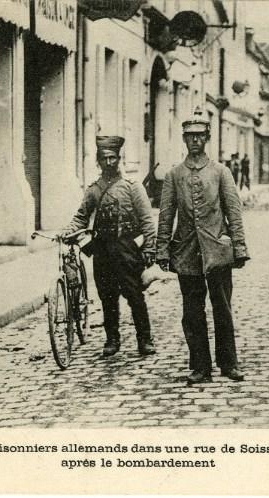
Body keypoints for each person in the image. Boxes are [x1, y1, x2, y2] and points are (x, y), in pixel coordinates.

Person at [156, 108, 250, 385]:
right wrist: (162, 249)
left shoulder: (221, 172)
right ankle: (199, 366)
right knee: (192, 311)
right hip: (186, 253)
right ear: (184, 139)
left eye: (200, 136)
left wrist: (240, 247)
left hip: (217, 251)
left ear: (207, 138)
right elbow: (166, 215)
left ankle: (229, 363)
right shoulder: (174, 175)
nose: (195, 141)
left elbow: (234, 211)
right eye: (190, 136)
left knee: (222, 307)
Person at [63, 136, 157, 357]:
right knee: (107, 296)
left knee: (134, 295)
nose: (109, 162)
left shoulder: (132, 187)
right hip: (102, 250)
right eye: (104, 158)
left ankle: (144, 339)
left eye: (113, 157)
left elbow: (146, 221)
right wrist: (68, 231)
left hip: (127, 250)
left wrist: (149, 249)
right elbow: (81, 217)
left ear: (119, 159)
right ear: (98, 161)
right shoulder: (94, 190)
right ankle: (112, 339)